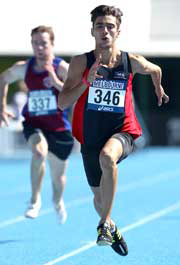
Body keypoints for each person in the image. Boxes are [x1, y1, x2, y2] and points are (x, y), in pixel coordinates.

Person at [58, 5, 169, 254]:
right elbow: (63, 102)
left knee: (107, 157)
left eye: (110, 26)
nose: (105, 31)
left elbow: (156, 69)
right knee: (99, 198)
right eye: (100, 26)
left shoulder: (131, 61)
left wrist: (158, 88)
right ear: (92, 31)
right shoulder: (80, 62)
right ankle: (111, 225)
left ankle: (103, 227)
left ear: (118, 31)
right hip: (90, 135)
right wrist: (86, 82)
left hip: (123, 130)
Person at [0, 25, 74, 224]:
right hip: (34, 123)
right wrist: (1, 106)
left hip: (59, 127)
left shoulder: (62, 68)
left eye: (44, 43)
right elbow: (3, 79)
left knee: (58, 180)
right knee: (39, 152)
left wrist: (55, 79)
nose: (39, 48)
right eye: (35, 43)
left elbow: (75, 92)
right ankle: (34, 200)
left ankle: (57, 201)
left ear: (52, 44)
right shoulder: (24, 67)